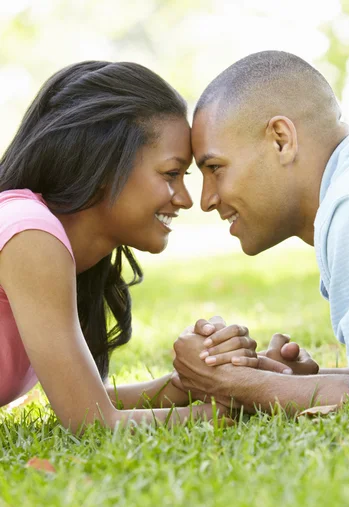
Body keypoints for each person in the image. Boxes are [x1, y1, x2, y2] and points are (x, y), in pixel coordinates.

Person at [0, 60, 278, 433]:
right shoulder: (29, 233)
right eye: (171, 174)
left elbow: (85, 399)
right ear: (105, 166)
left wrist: (199, 381)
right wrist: (249, 402)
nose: (185, 199)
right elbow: (92, 422)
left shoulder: (56, 247)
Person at [173, 50, 349, 414]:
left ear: (281, 139)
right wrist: (284, 380)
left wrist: (230, 383)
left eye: (215, 167)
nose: (206, 200)